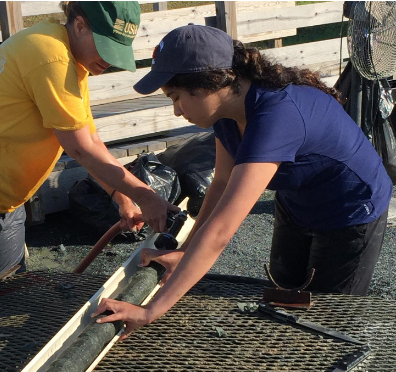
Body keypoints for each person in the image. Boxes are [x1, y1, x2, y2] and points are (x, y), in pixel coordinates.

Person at [92, 24, 393, 340]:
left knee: (328, 319)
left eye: (177, 97)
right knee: (284, 295)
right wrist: (187, 250)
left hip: (352, 208)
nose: (177, 111)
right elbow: (221, 181)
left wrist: (152, 310)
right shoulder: (227, 113)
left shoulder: (276, 116)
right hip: (297, 198)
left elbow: (221, 232)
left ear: (210, 82)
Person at [0, 1, 178, 320]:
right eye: (105, 46)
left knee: (7, 308)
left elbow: (89, 139)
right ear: (79, 25)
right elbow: (79, 149)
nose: (109, 59)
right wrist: (145, 196)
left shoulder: (71, 60)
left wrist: (121, 196)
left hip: (3, 203)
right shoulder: (49, 53)